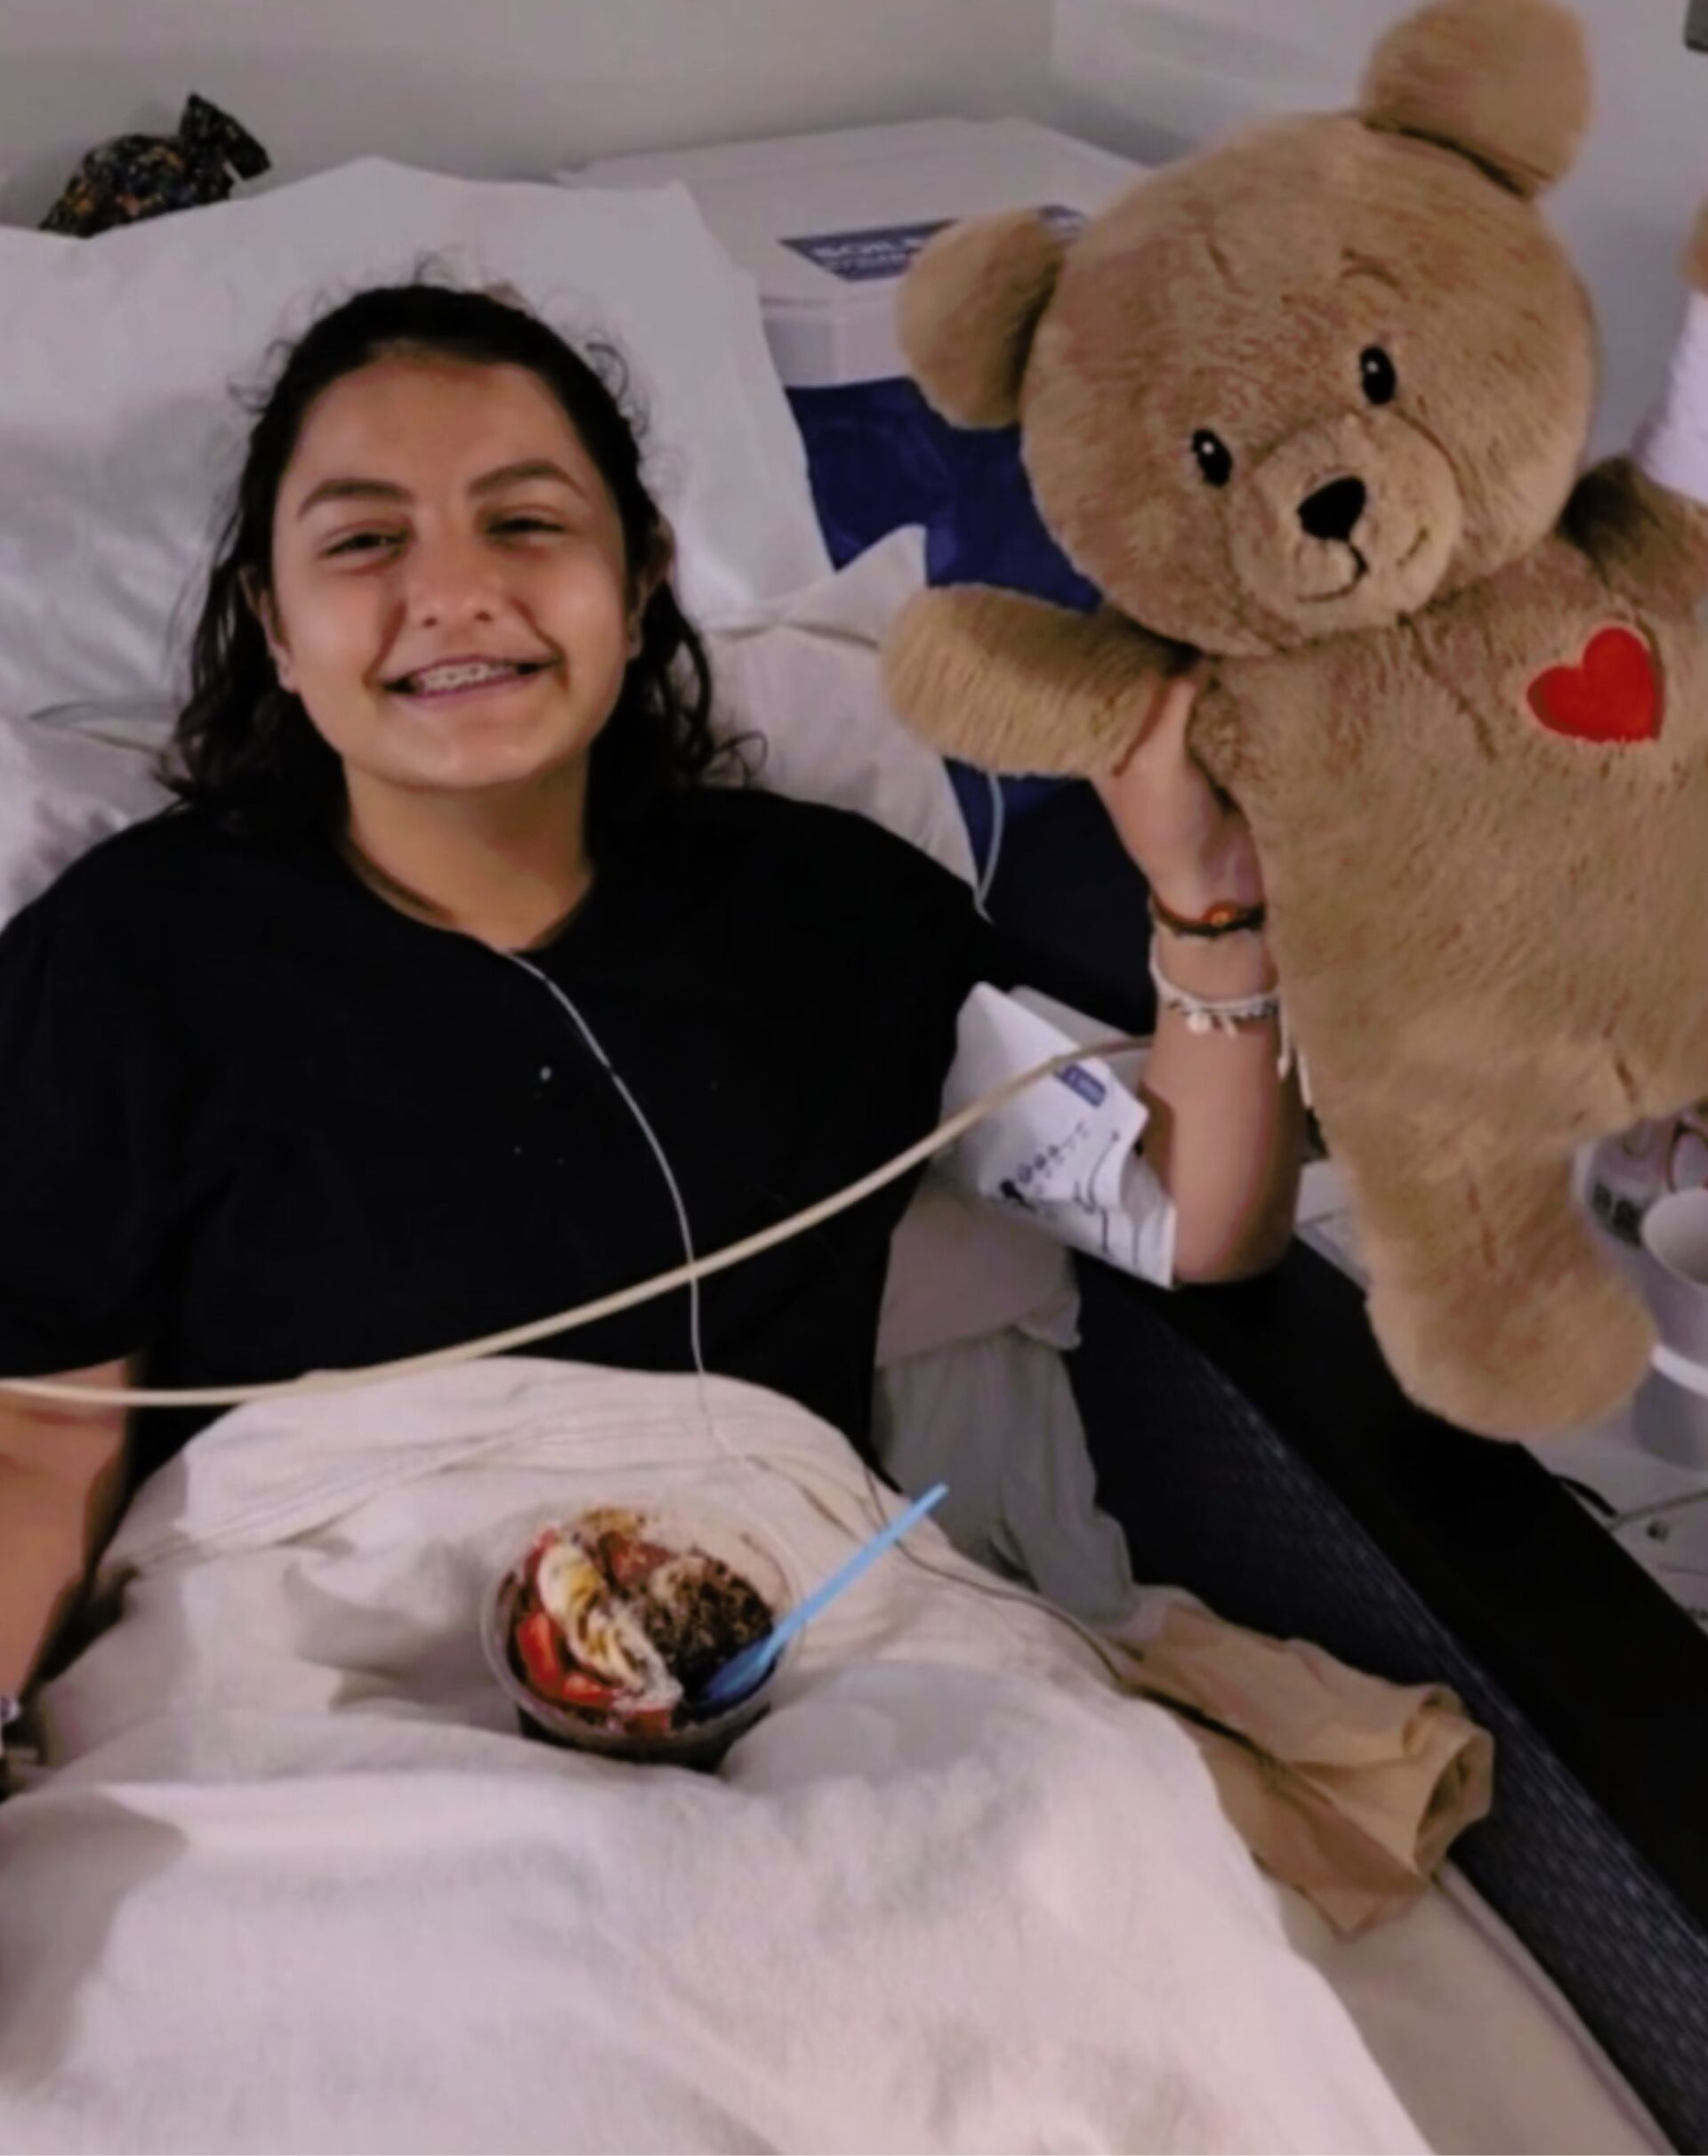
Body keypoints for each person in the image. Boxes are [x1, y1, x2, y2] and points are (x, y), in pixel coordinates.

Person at [0, 284, 1303, 1709]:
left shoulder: (835, 914)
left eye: (527, 522)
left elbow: (1198, 1230)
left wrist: (1208, 896)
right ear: (275, 626)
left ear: (638, 584)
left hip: (778, 1640)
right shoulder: (133, 954)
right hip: (317, 1672)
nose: (453, 593)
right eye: (366, 541)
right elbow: (38, 1451)